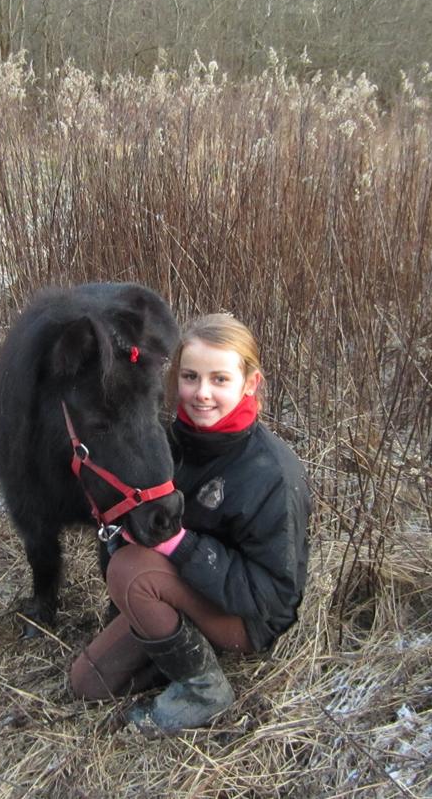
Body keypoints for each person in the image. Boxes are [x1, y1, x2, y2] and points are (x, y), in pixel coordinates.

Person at [69, 313, 311, 734]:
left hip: (245, 617)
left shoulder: (271, 472)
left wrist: (179, 546)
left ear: (250, 383)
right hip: (182, 588)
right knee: (88, 683)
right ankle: (170, 638)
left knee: (130, 570)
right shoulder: (166, 442)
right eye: (190, 377)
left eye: (220, 379)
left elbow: (273, 596)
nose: (202, 393)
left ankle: (204, 690)